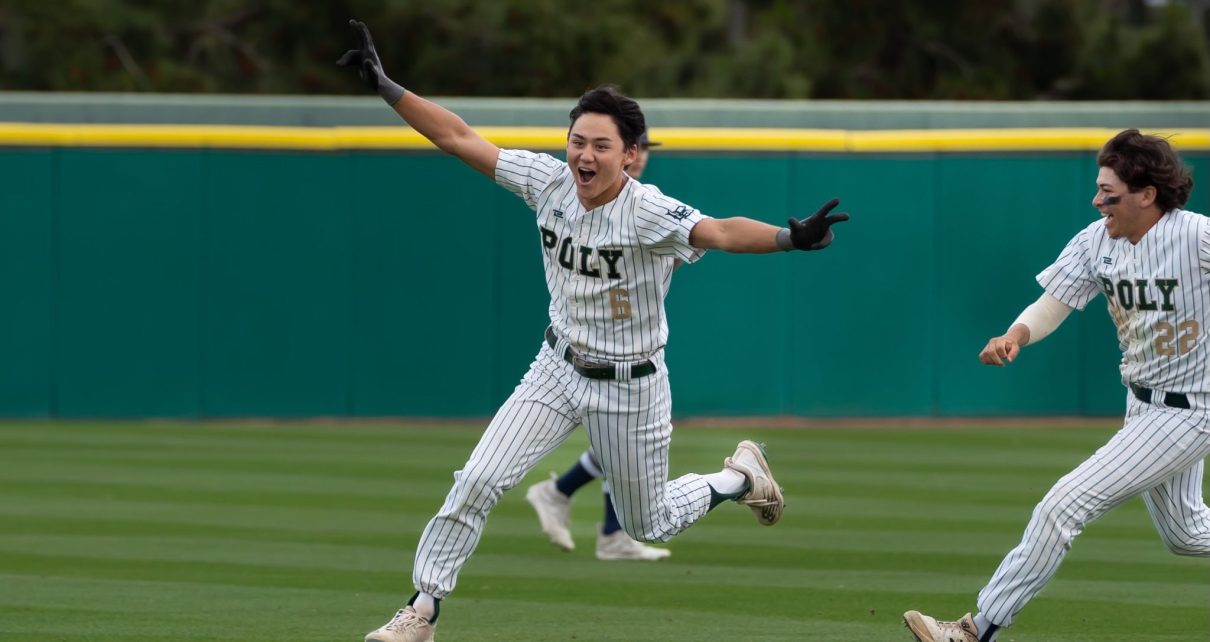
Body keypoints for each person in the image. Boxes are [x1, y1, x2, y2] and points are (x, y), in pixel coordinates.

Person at [337, 19, 849, 642]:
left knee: (647, 524)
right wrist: (389, 88)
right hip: (556, 367)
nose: (584, 154)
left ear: (631, 154)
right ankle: (421, 611)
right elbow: (457, 135)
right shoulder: (547, 181)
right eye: (577, 140)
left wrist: (789, 238)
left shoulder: (648, 210)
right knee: (476, 480)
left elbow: (717, 231)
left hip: (632, 385)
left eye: (601, 145)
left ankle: (739, 475)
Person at [904, 128, 1206, 642]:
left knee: (1063, 504)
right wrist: (1016, 334)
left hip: (1191, 410)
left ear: (1147, 195)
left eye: (1109, 194)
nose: (1097, 201)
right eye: (1098, 189)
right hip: (1142, 404)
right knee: (1187, 533)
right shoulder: (1096, 241)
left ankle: (975, 631)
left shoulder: (1195, 237)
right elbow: (1055, 303)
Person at [524, 130, 675, 563]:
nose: (643, 156)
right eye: (638, 147)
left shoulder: (649, 206)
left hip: (631, 343)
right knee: (624, 444)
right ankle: (586, 514)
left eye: (647, 149)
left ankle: (591, 516)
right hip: (588, 349)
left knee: (623, 445)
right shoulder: (593, 203)